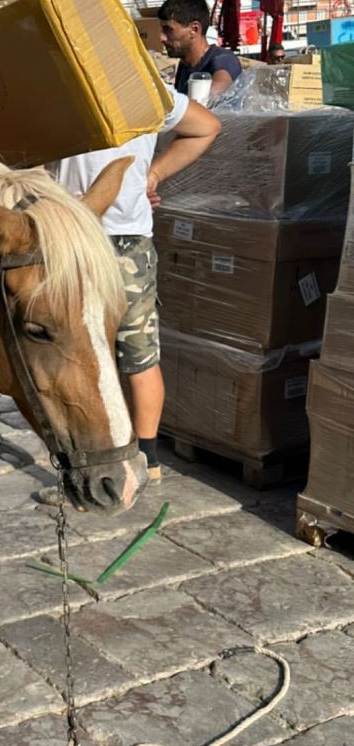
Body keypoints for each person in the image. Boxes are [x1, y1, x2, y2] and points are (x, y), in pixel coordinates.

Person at [43, 92, 221, 492]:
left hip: (75, 239)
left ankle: (95, 466)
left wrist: (151, 175)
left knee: (78, 355)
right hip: (126, 241)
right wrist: (151, 175)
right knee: (139, 354)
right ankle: (147, 462)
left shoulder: (65, 82)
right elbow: (206, 126)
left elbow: (30, 156)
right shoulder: (145, 88)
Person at [158, 0, 242, 99]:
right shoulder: (185, 66)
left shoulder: (223, 59)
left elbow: (218, 88)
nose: (161, 38)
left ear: (194, 29)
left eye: (168, 30)